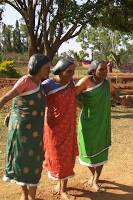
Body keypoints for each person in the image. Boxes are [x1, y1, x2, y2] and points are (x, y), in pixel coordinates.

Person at [0, 54, 51, 200]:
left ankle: (32, 197)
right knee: (21, 159)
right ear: (38, 67)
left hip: (36, 129)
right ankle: (24, 194)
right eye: (47, 68)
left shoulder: (41, 83)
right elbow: (6, 98)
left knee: (35, 160)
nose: (49, 70)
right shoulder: (25, 81)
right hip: (21, 129)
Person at [75, 60, 124, 192]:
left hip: (102, 123)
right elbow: (73, 94)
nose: (104, 72)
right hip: (87, 123)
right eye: (101, 69)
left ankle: (96, 180)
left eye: (105, 69)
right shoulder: (85, 81)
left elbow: (115, 94)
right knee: (87, 151)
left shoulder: (106, 83)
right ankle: (93, 175)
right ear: (93, 70)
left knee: (101, 151)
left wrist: (121, 99)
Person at [42, 58, 78, 200]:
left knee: (67, 157)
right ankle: (59, 183)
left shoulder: (71, 84)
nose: (72, 74)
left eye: (73, 71)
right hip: (53, 128)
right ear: (60, 70)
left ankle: (63, 189)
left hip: (68, 127)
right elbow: (34, 99)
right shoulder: (47, 85)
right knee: (56, 156)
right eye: (69, 71)